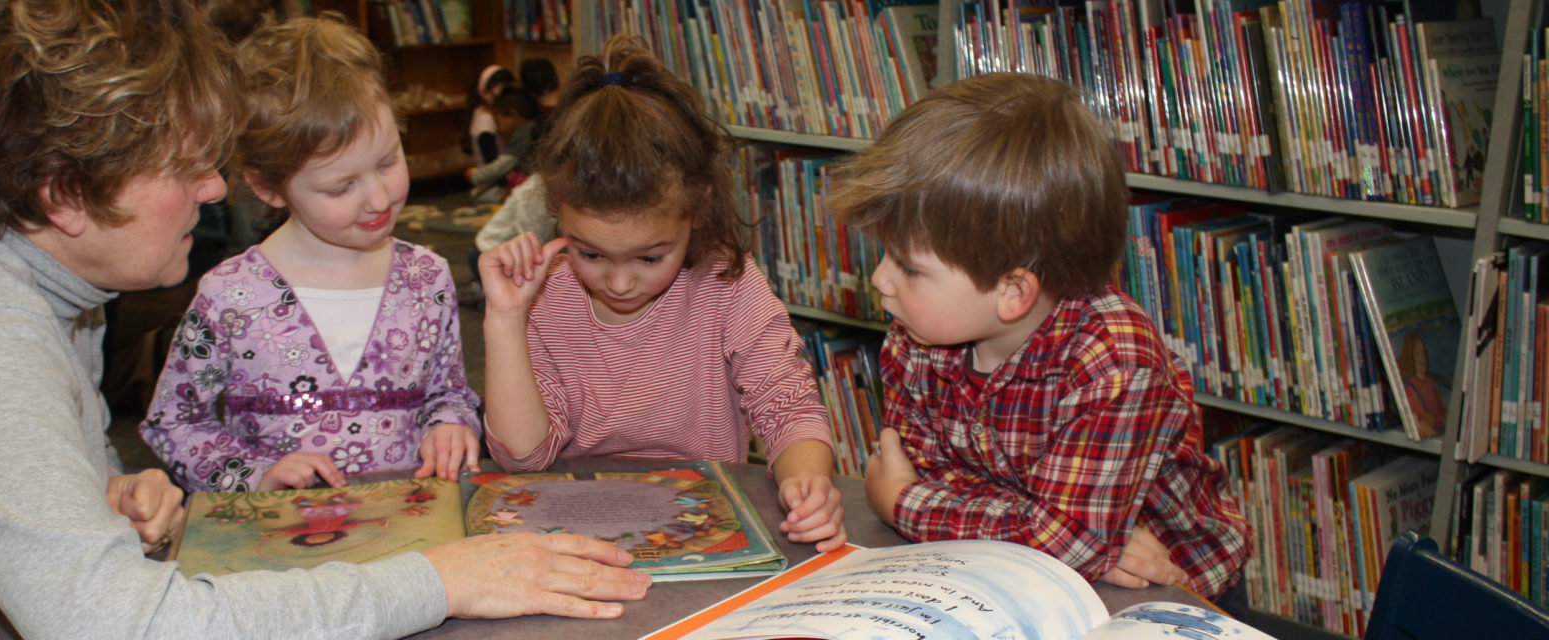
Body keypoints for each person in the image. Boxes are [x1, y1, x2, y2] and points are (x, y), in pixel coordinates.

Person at [0, 2, 648, 637]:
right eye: (182, 169)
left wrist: (96, 489)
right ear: (65, 197)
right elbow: (120, 626)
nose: (214, 191)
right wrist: (434, 577)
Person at [833, 73, 1252, 605]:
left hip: (1167, 585)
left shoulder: (1114, 364)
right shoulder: (916, 338)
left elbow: (1059, 538)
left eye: (909, 268)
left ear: (1013, 290)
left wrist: (902, 502)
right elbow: (952, 481)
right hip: (1037, 568)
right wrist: (1055, 533)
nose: (880, 280)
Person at [478, 37, 848, 553]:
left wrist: (806, 483)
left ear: (697, 212)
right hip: (573, 532)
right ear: (558, 214)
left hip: (702, 526)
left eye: (650, 258)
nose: (621, 282)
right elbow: (524, 458)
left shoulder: (727, 284)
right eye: (590, 254)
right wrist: (505, 321)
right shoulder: (545, 296)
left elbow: (786, 405)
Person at [139, 15, 482, 493]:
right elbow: (174, 424)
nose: (379, 199)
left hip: (409, 537)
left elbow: (449, 392)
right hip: (284, 552)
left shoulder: (428, 277)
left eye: (388, 161)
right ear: (268, 187)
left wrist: (450, 422)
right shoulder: (230, 296)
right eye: (341, 186)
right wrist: (256, 475)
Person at [466, 87, 541, 198]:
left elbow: (501, 166)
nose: (497, 128)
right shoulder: (531, 128)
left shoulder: (525, 132)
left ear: (512, 115)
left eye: (498, 121)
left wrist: (476, 176)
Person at [1397, 333, 1445, 437]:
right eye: (1417, 354)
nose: (1422, 358)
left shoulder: (1430, 382)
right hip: (1433, 435)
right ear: (1410, 357)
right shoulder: (1410, 391)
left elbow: (1443, 410)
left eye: (1423, 353)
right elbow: (1421, 425)